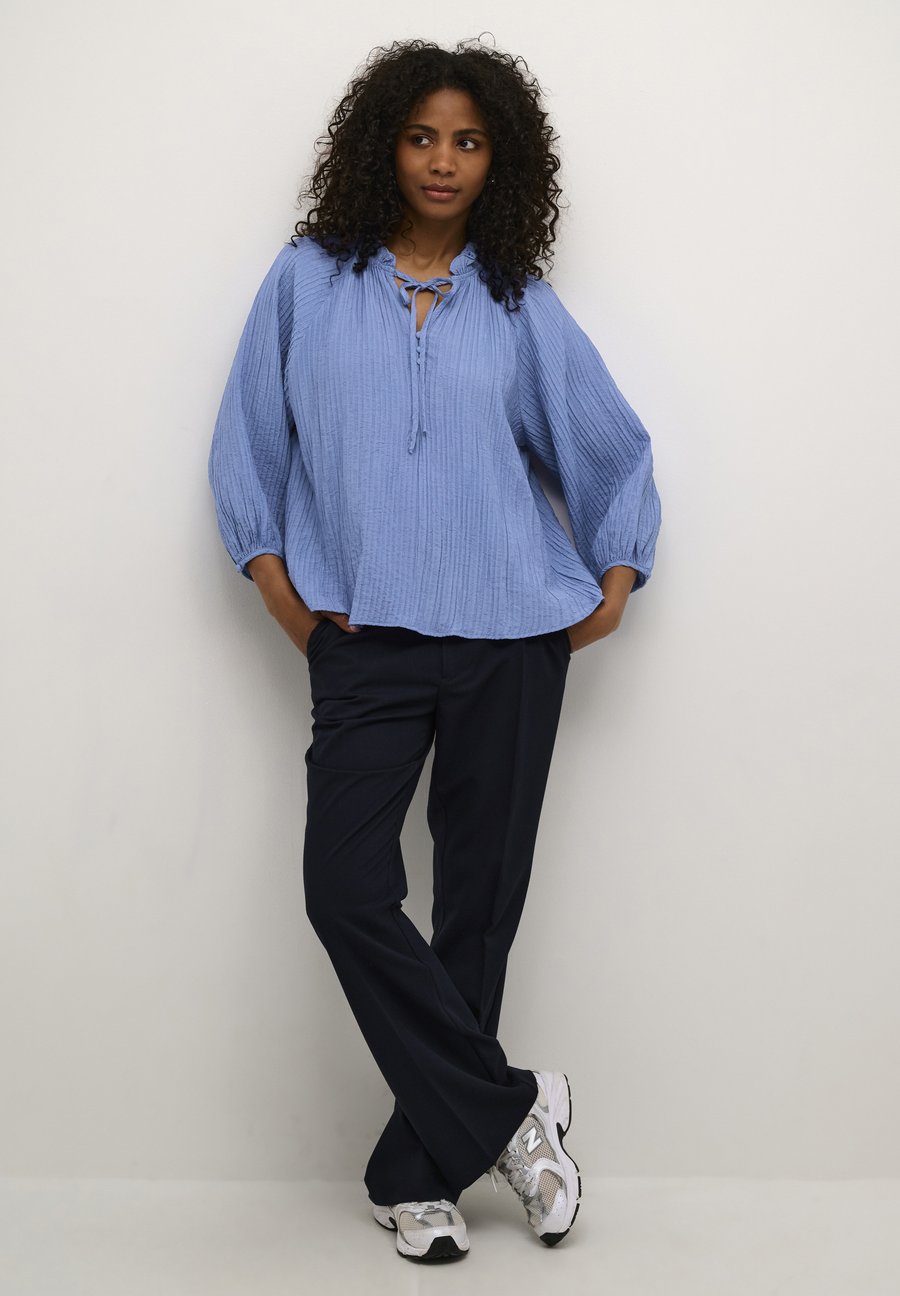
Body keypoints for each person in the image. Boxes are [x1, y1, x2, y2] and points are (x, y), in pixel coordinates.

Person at [207, 37, 662, 1263]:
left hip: (513, 640)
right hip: (366, 643)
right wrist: (286, 600)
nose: (443, 161)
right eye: (421, 136)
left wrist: (613, 584)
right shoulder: (308, 281)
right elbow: (248, 446)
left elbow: (610, 447)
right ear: (384, 147)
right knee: (347, 890)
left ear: (498, 160)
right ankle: (516, 1113)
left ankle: (417, 1176)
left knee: (476, 911)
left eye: (467, 140)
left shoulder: (517, 303)